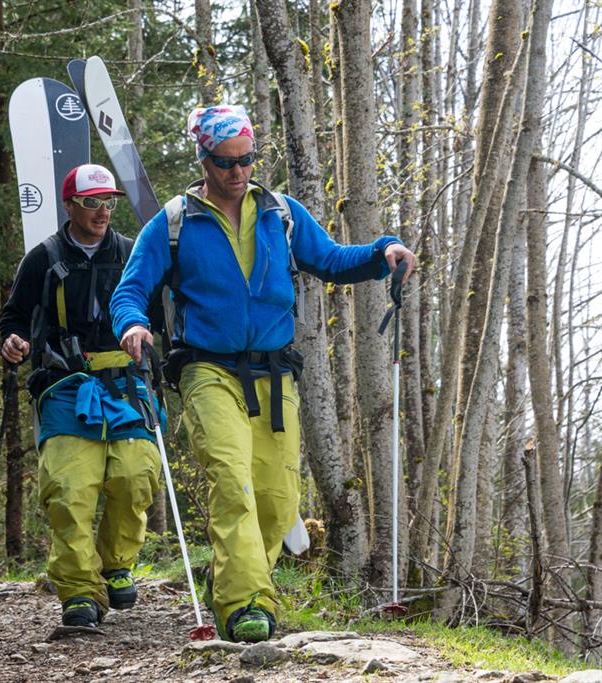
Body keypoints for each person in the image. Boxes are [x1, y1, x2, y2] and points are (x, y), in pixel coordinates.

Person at [109, 105, 416, 643]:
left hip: (274, 378)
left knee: (279, 502)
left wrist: (382, 251)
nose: (238, 171)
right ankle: (246, 603)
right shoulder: (175, 222)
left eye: (247, 160)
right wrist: (133, 324)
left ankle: (232, 577)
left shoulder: (282, 213)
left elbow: (333, 260)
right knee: (233, 482)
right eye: (226, 162)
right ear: (204, 159)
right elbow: (130, 289)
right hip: (206, 370)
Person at [0, 163, 164, 629]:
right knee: (70, 489)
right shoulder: (43, 258)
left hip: (127, 386)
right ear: (70, 205)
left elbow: (157, 314)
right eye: (91, 202)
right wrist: (13, 343)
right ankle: (78, 593)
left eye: (108, 202)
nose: (102, 212)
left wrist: (154, 346)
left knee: (135, 478)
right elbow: (14, 317)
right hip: (64, 385)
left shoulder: (133, 254)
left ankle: (115, 566)